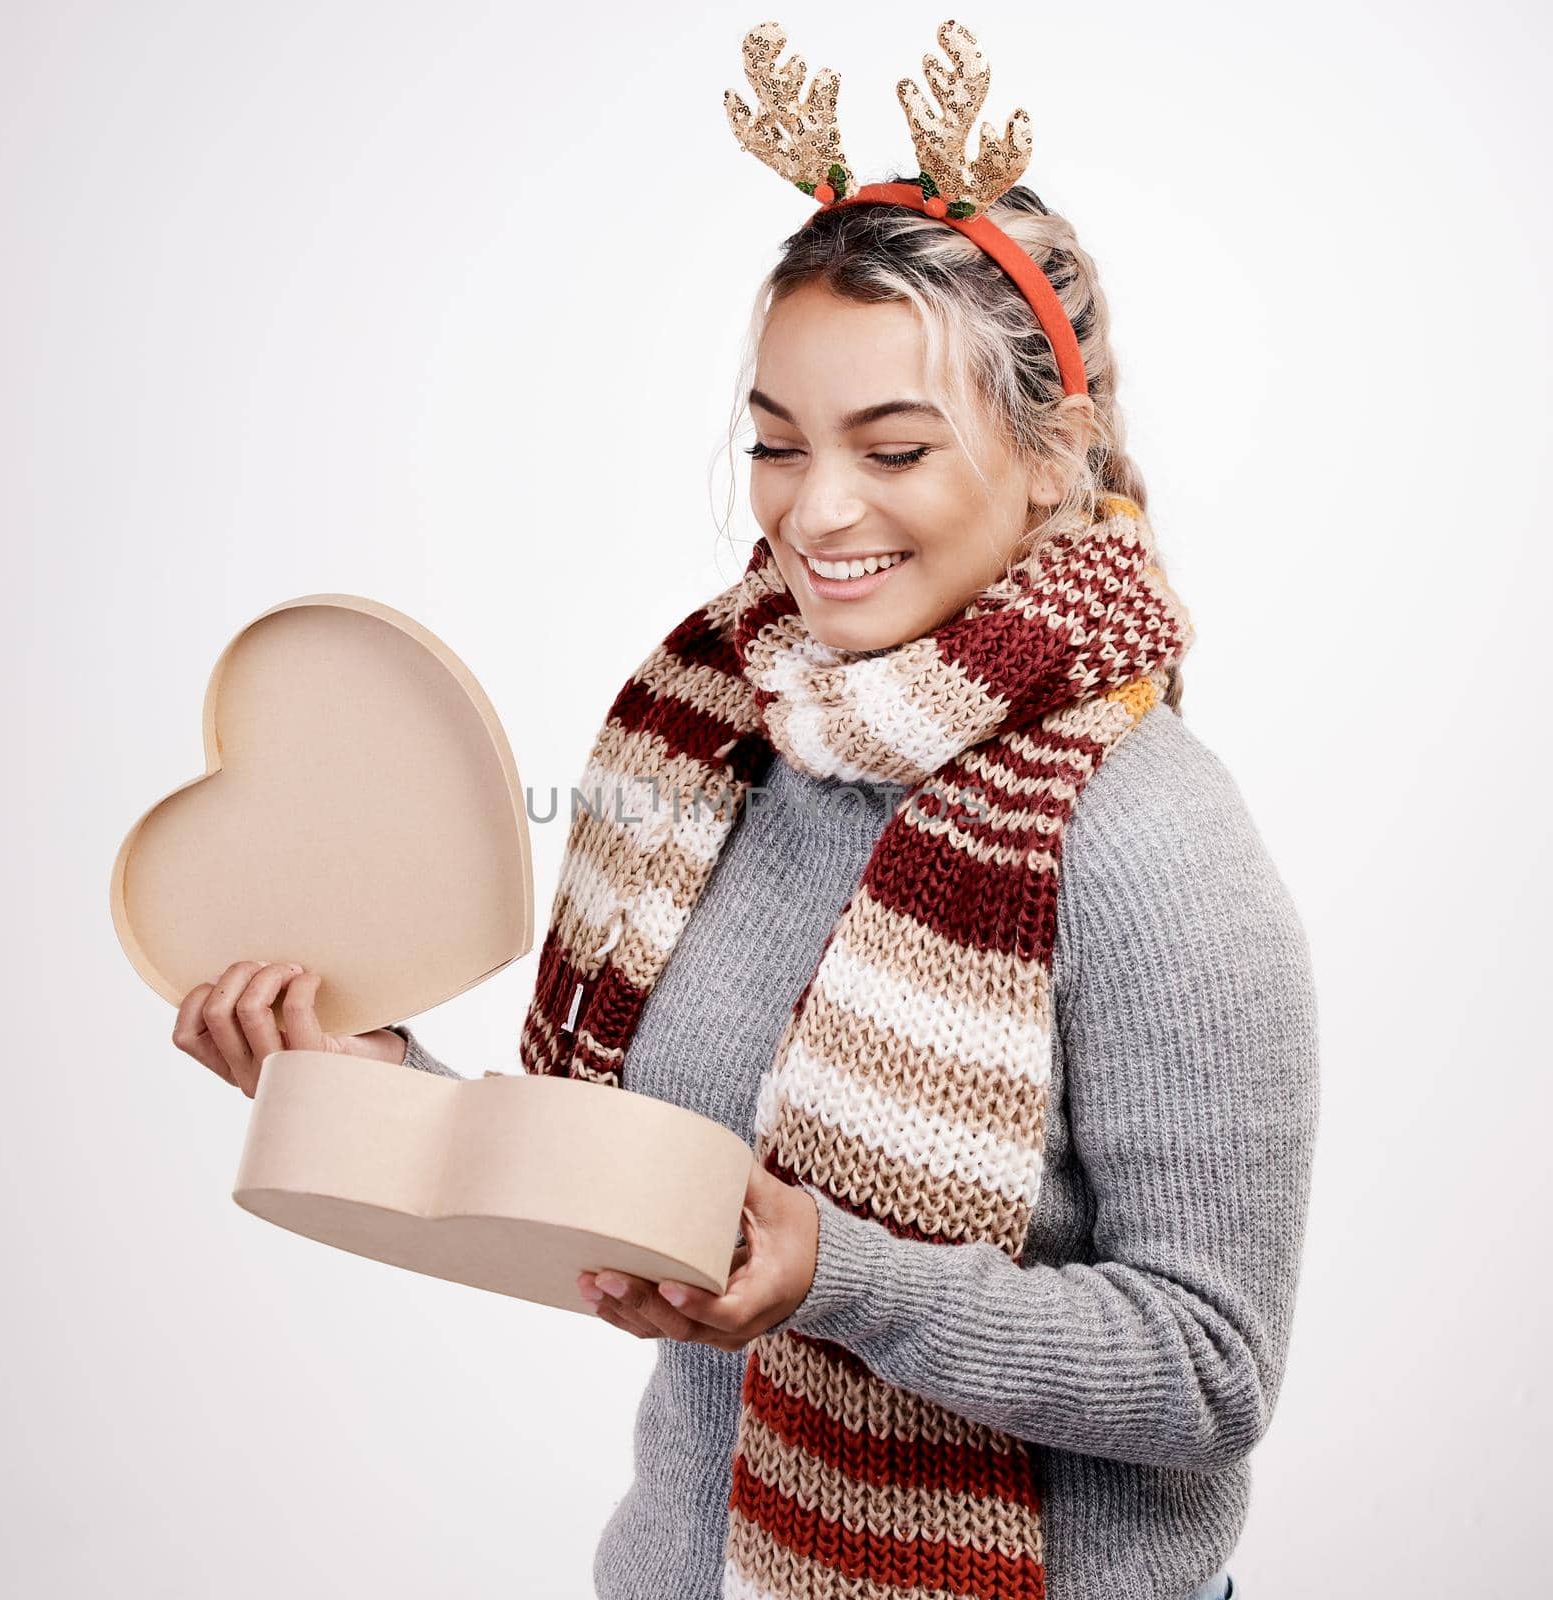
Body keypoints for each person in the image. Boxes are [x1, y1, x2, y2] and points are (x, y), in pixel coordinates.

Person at [173, 22, 1317, 1600]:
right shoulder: (727, 732)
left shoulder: (1143, 836)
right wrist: (372, 1087)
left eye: (893, 446)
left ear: (1054, 460)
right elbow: (649, 1207)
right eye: (778, 443)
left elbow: (1207, 1375)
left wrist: (841, 1280)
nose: (814, 510)